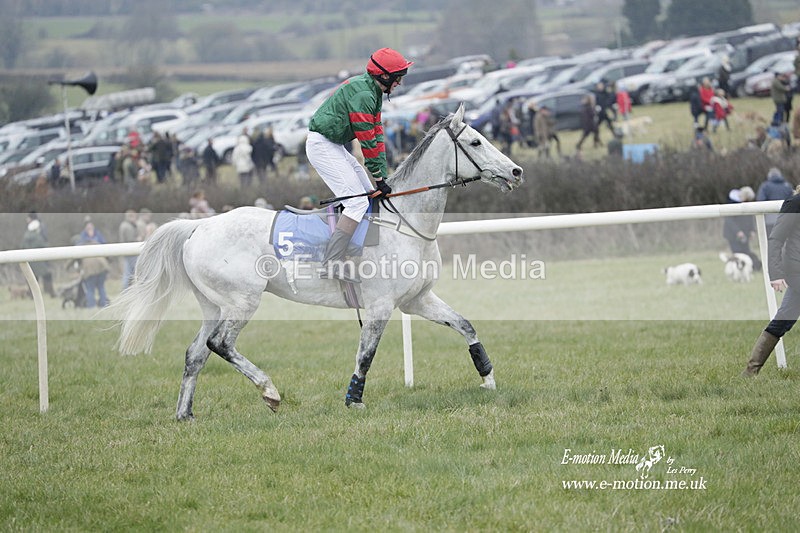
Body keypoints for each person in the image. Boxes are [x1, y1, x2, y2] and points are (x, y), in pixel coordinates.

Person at [306, 47, 413, 283]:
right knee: (356, 203)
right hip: (322, 145)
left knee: (371, 195)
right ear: (385, 76)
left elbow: (377, 135)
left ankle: (360, 252)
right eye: (398, 77)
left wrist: (381, 178)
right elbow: (367, 143)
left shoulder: (372, 91)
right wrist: (380, 178)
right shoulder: (364, 95)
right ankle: (331, 262)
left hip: (334, 144)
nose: (400, 83)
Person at [742, 185, 800, 376]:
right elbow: (776, 239)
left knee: (783, 320)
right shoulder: (794, 204)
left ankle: (750, 371)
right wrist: (775, 273)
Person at [723, 186, 762, 271]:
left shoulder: (747, 204)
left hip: (745, 234)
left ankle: (751, 268)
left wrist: (752, 230)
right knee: (737, 254)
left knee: (746, 252)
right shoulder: (731, 203)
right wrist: (738, 232)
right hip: (733, 235)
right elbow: (729, 220)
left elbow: (750, 216)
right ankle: (737, 270)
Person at [20, 217, 57, 297]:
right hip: (40, 263)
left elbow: (22, 247)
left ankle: (31, 295)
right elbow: (45, 247)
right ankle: (50, 293)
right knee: (47, 276)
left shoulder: (25, 237)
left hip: (30, 263)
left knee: (32, 280)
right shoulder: (38, 237)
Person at [77, 223, 110, 308]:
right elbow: (107, 252)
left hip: (90, 269)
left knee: (90, 289)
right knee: (101, 287)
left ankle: (91, 306)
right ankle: (103, 305)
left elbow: (73, 255)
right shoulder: (98, 241)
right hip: (102, 267)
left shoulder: (81, 244)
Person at [756, 167, 794, 236]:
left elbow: (760, 201)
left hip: (770, 221)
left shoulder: (765, 186)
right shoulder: (788, 186)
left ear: (769, 176)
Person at [118, 209, 139, 291]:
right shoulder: (128, 226)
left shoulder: (125, 225)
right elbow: (130, 239)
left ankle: (127, 290)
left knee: (128, 272)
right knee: (130, 273)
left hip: (127, 252)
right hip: (131, 253)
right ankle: (126, 290)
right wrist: (138, 239)